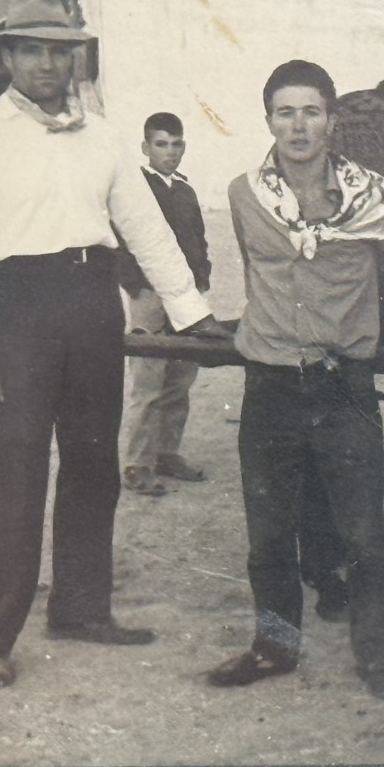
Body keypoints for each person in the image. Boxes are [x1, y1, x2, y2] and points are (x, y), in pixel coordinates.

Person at [0, 0, 226, 690]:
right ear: (6, 58)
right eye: (33, 48)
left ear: (76, 57)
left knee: (94, 466)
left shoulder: (102, 135)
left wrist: (193, 313)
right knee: (15, 478)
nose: (49, 61)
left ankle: (80, 609)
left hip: (92, 303)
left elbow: (147, 230)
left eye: (61, 48)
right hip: (14, 311)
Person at [207, 60, 384, 694]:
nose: (299, 124)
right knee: (269, 535)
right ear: (269, 121)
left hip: (345, 386)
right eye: (286, 112)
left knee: (365, 533)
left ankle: (376, 657)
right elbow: (257, 274)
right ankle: (274, 649)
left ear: (332, 122)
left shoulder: (371, 192)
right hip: (272, 384)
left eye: (311, 111)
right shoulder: (243, 194)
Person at [117, 111, 211, 495]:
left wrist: (201, 278)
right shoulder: (135, 189)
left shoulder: (185, 191)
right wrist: (135, 286)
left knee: (181, 379)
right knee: (148, 382)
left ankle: (167, 453)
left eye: (175, 145)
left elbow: (198, 239)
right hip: (150, 296)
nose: (169, 153)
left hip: (187, 298)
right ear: (146, 147)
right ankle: (137, 464)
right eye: (160, 144)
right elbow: (121, 240)